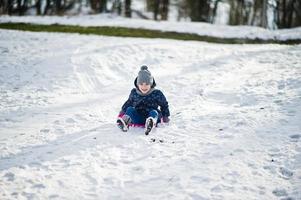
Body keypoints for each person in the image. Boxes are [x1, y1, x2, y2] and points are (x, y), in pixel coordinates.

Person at [117, 65, 170, 134]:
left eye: (147, 84)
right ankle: (125, 122)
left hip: (151, 115)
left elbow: (164, 105)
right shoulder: (134, 93)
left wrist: (165, 116)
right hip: (138, 117)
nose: (144, 86)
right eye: (141, 84)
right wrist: (122, 112)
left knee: (154, 112)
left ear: (151, 84)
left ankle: (150, 123)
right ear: (137, 84)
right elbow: (129, 102)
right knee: (130, 109)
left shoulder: (156, 93)